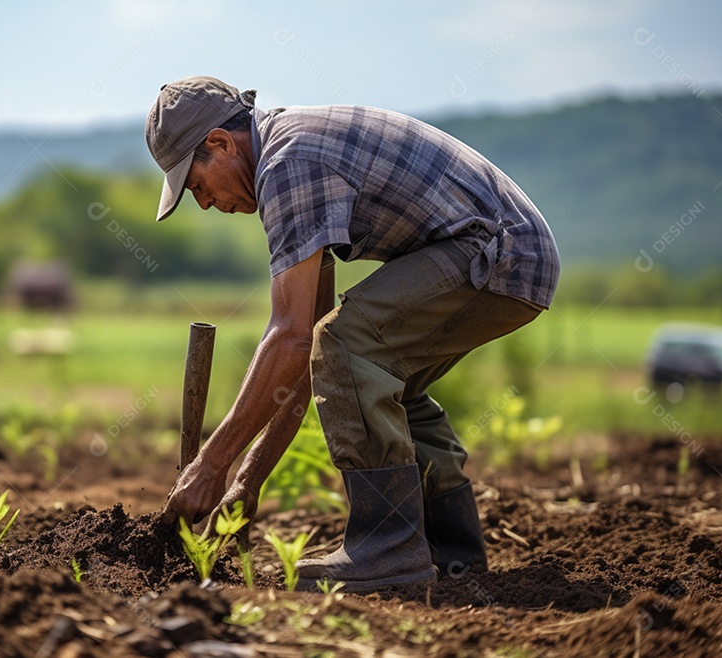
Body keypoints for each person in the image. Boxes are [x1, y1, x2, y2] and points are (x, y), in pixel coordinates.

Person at [148, 76, 560, 592]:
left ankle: (388, 549)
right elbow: (309, 353)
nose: (205, 203)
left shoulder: (288, 163)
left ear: (220, 143)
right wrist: (248, 479)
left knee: (350, 344)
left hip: (498, 252)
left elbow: (298, 338)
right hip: (514, 254)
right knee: (379, 375)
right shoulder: (294, 158)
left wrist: (212, 463)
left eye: (196, 185)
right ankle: (450, 553)